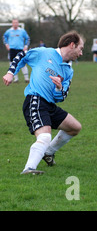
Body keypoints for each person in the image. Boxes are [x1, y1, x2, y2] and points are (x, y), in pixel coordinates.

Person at [2, 31, 84, 175]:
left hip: (49, 105)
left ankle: (48, 152)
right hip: (35, 100)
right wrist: (11, 73)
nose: (81, 53)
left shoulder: (68, 70)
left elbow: (62, 96)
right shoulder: (44, 53)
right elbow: (21, 55)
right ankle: (29, 169)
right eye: (80, 48)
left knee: (75, 127)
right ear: (72, 45)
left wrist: (59, 87)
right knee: (45, 136)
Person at [3, 18, 30, 83]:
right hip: (12, 49)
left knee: (23, 63)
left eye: (16, 22)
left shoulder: (22, 31)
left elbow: (27, 38)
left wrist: (26, 46)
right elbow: (4, 37)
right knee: (12, 64)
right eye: (14, 22)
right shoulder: (9, 31)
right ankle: (15, 79)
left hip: (20, 49)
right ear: (12, 23)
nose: (15, 24)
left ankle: (26, 78)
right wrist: (6, 44)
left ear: (18, 23)